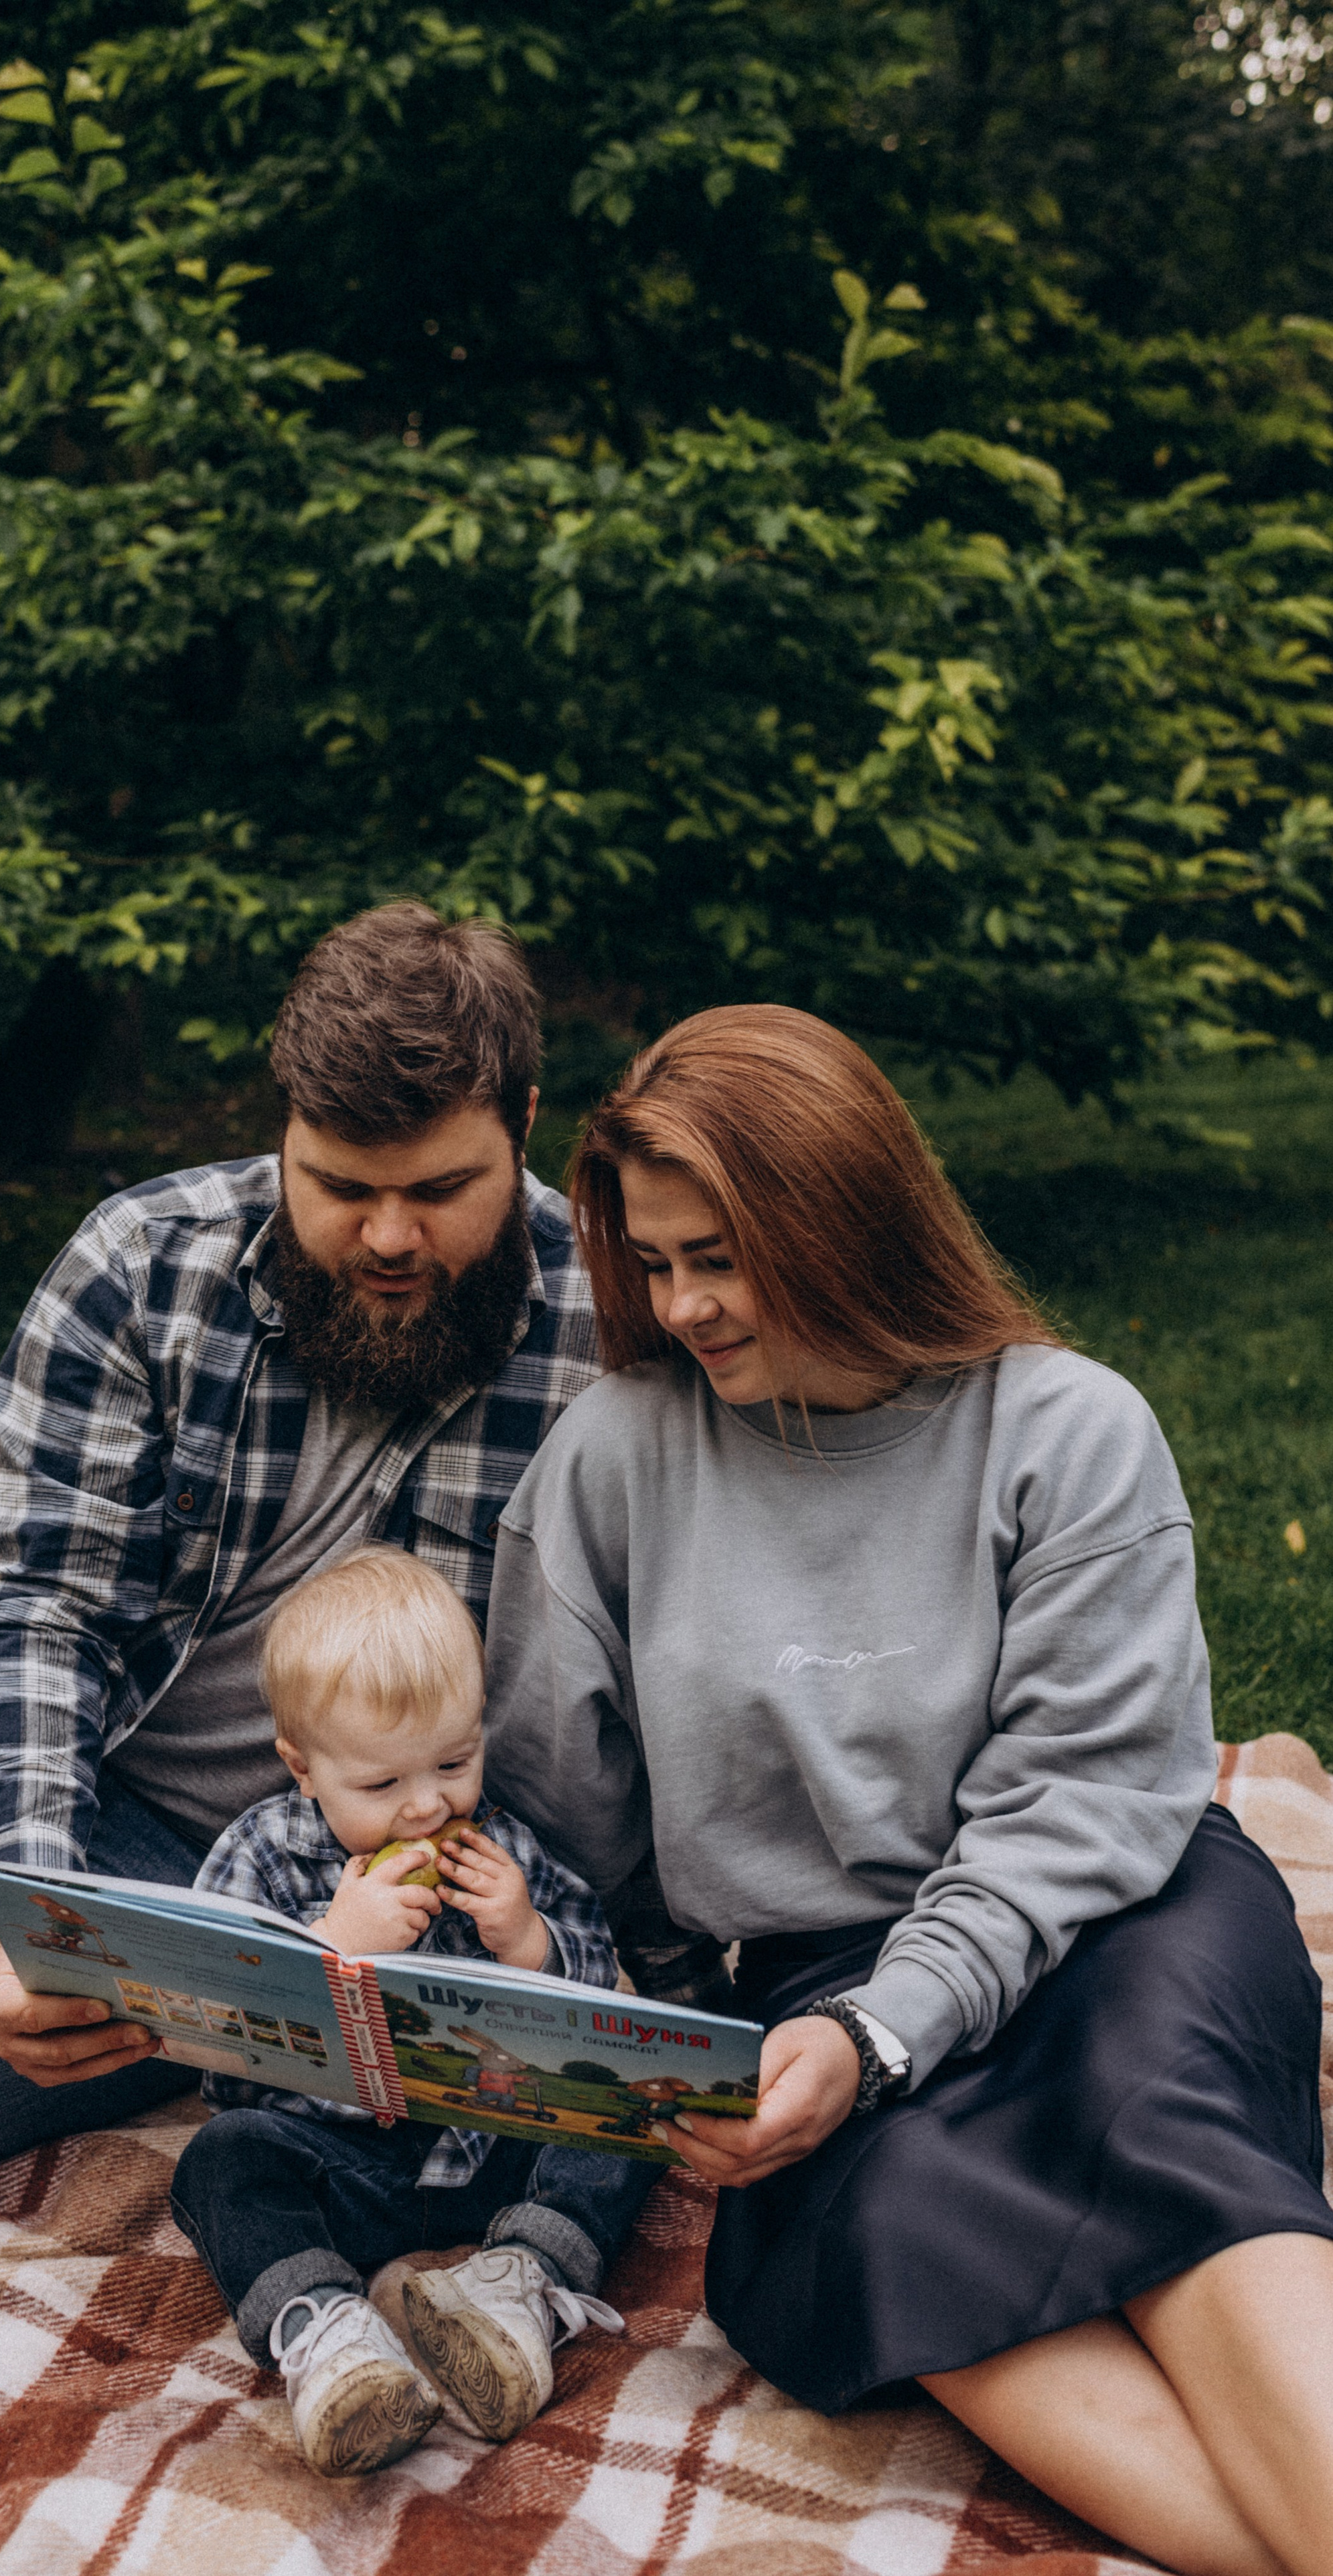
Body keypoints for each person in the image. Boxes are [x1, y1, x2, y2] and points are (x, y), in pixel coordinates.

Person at [482, 1003, 1333, 2576]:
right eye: (653, 1262)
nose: (679, 1307)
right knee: (892, 2225)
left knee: (1147, 2114)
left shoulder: (1066, 1430)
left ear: (840, 1218)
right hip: (819, 1982)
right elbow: (566, 1821)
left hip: (1116, 1910)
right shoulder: (609, 1462)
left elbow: (1085, 1799)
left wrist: (889, 2028)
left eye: (715, 1256)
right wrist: (665, 2038)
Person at [0, 904, 603, 2197]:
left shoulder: (610, 1330)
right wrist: (37, 1905)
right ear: (284, 1130)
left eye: (437, 1191)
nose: (387, 1238)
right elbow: (35, 1612)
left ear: (524, 1125)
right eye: (342, 1187)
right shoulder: (145, 1262)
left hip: (233, 1854)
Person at [171, 1544, 651, 2476]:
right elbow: (210, 2035)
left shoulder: (499, 1843)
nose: (427, 1808)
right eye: (382, 1786)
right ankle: (329, 2336)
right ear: (303, 1769)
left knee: (628, 2117)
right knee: (221, 2163)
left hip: (492, 2145)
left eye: (453, 1762)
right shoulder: (265, 1856)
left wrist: (527, 1939)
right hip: (341, 2161)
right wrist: (331, 1945)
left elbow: (598, 1992)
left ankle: (516, 2291)